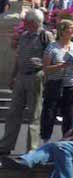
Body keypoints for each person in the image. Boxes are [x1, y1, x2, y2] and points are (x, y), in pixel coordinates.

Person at [0, 10, 53, 155]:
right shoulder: (24, 36)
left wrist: (43, 66)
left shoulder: (45, 36)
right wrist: (13, 76)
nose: (24, 24)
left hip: (36, 75)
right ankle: (6, 145)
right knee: (13, 112)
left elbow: (53, 56)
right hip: (21, 76)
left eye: (27, 21)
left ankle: (32, 148)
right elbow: (19, 57)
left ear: (34, 22)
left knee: (34, 113)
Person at [40, 20, 73, 143]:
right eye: (69, 29)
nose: (72, 31)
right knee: (49, 113)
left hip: (71, 85)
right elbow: (45, 68)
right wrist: (62, 66)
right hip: (55, 84)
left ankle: (66, 141)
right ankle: (46, 141)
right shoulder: (52, 47)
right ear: (62, 31)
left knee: (70, 115)